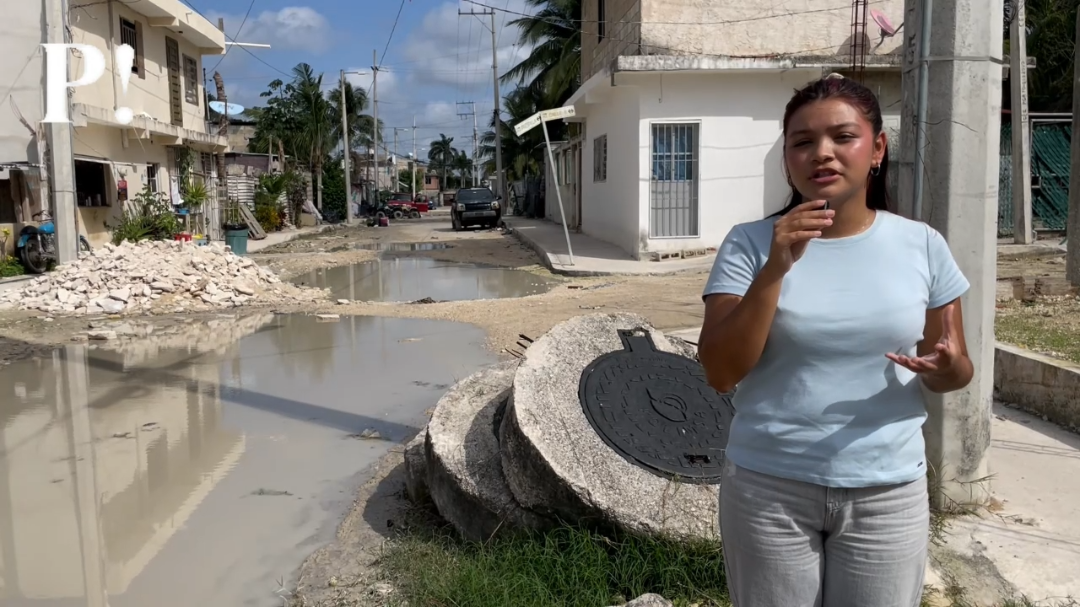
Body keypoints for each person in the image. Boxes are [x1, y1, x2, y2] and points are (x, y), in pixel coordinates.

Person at [697, 73, 973, 607]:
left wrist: (946, 368)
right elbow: (720, 371)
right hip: (768, 487)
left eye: (842, 137)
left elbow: (955, 367)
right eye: (802, 142)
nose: (821, 153)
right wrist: (776, 268)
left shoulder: (923, 245)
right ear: (787, 159)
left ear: (877, 149)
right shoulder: (750, 244)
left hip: (887, 491)